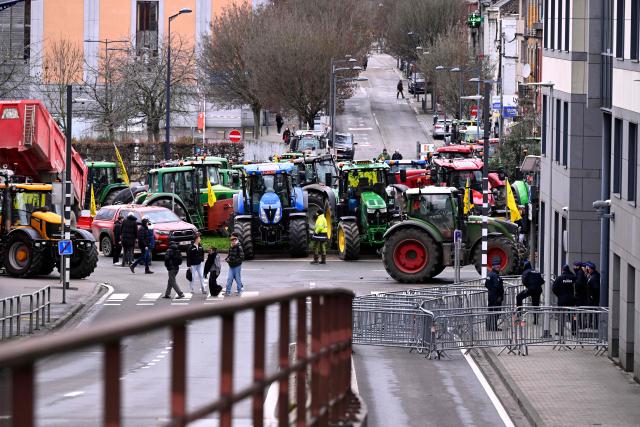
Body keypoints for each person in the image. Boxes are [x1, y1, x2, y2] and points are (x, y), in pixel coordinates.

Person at [553, 264, 577, 335]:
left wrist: (559, 295)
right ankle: (574, 330)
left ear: (562, 270)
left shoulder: (559, 278)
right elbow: (575, 278)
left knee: (561, 315)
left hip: (561, 299)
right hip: (571, 299)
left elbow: (554, 289)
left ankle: (560, 332)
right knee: (573, 316)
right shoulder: (572, 277)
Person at [485, 258, 505, 331]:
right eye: (497, 267)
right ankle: (493, 327)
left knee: (491, 311)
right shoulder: (495, 276)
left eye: (499, 267)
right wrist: (499, 296)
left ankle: (488, 326)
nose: (499, 268)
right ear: (493, 267)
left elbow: (486, 285)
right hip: (496, 297)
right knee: (496, 312)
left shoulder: (489, 274)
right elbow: (498, 287)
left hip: (491, 296)